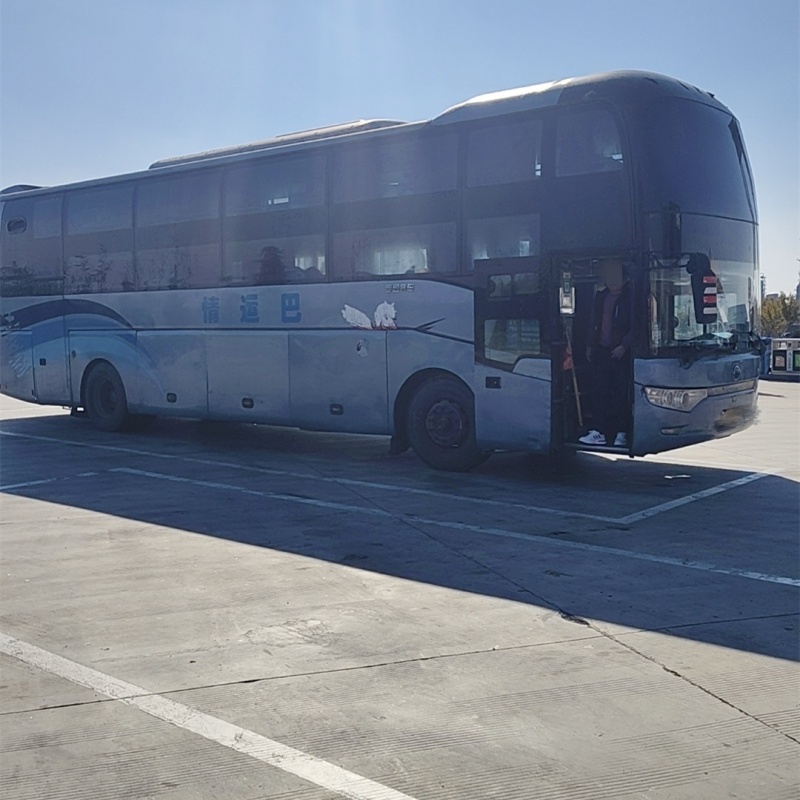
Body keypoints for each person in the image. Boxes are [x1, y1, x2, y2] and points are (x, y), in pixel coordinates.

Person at [579, 258, 632, 447]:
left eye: (616, 277)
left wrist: (624, 346)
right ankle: (598, 431)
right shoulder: (600, 297)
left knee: (620, 395)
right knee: (599, 392)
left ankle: (622, 432)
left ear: (625, 279)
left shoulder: (630, 298)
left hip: (620, 354)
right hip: (601, 351)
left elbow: (638, 326)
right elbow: (593, 322)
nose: (612, 281)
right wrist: (589, 345)